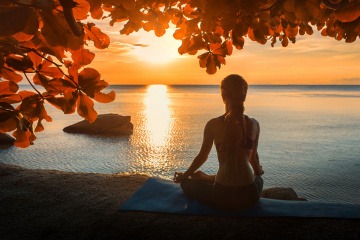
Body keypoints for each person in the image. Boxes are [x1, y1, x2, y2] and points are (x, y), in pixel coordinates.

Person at [173, 74, 264, 211]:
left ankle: (204, 177)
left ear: (223, 96)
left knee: (186, 184)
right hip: (249, 196)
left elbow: (202, 157)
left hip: (222, 195)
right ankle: (206, 177)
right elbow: (253, 160)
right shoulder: (255, 124)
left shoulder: (213, 124)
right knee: (259, 180)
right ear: (244, 97)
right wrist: (258, 171)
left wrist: (184, 176)